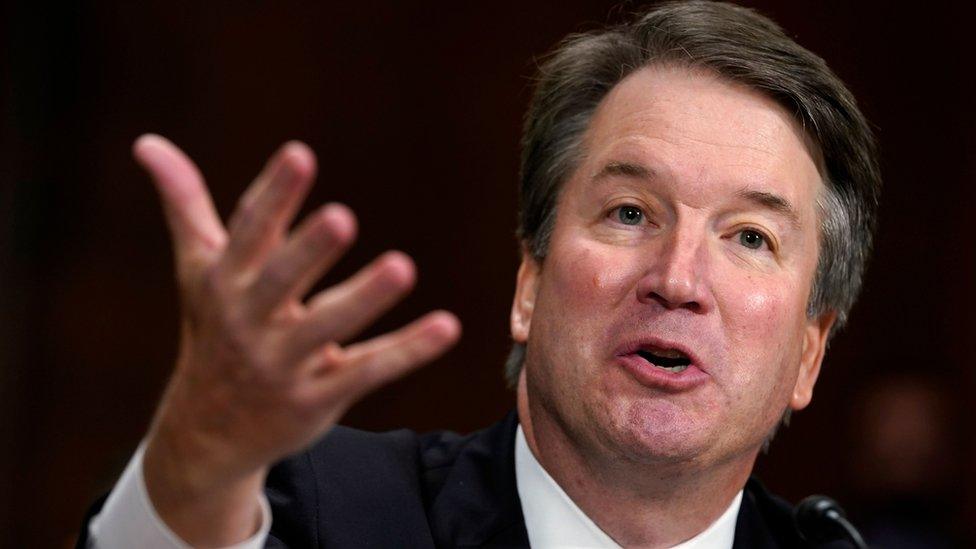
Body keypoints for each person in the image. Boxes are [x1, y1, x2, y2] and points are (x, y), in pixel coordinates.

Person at [78, 1, 880, 547]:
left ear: (809, 351)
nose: (678, 278)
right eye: (630, 213)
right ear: (528, 285)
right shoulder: (321, 508)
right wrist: (199, 462)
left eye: (748, 236)